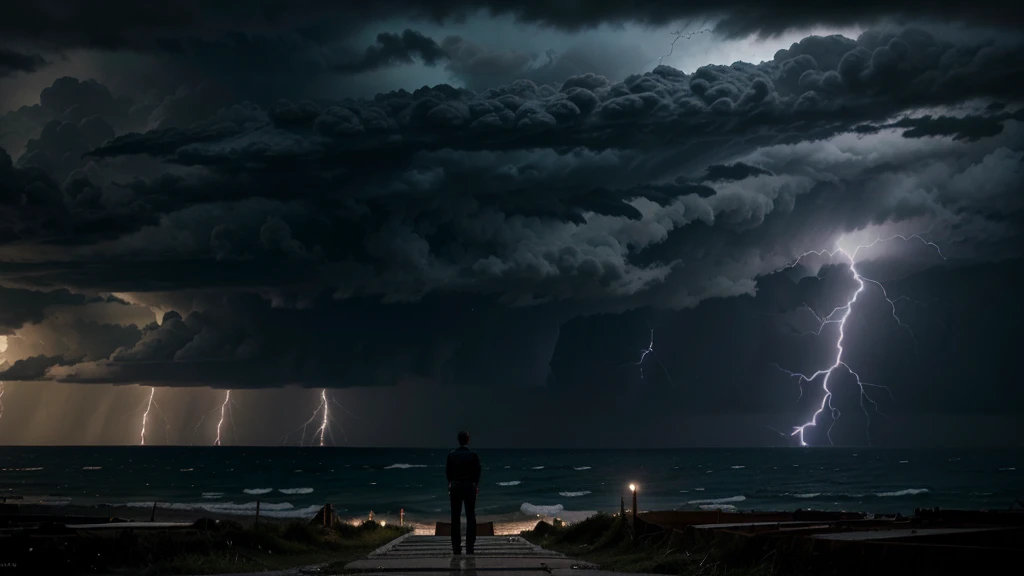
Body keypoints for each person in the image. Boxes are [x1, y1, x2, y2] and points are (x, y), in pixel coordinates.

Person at [446, 430, 481, 555]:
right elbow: (477, 472)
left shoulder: (452, 454)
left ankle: (456, 547)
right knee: (470, 516)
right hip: (469, 487)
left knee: (455, 517)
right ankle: (470, 546)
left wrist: (450, 484)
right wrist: (475, 485)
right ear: (468, 440)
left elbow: (448, 473)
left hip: (455, 486)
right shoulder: (473, 455)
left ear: (458, 440)